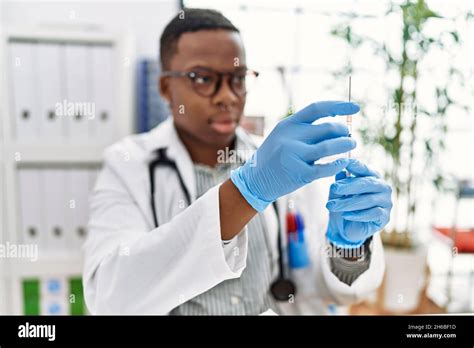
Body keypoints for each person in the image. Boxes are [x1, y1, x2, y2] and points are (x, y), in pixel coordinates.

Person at [83, 8, 392, 315]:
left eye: (238, 78)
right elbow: (109, 298)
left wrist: (348, 247)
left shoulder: (282, 165)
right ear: (165, 87)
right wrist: (246, 192)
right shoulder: (128, 165)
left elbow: (327, 291)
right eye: (203, 79)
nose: (227, 96)